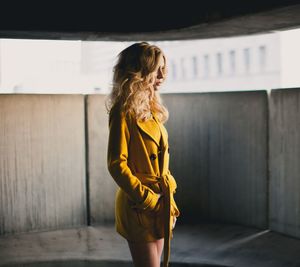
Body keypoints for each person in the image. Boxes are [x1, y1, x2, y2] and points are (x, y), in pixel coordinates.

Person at [106, 41, 180, 267]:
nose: (162, 74)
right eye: (157, 68)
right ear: (141, 71)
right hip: (139, 204)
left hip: (160, 201)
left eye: (164, 68)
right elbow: (116, 164)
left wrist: (168, 202)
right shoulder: (123, 110)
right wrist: (148, 200)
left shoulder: (152, 107)